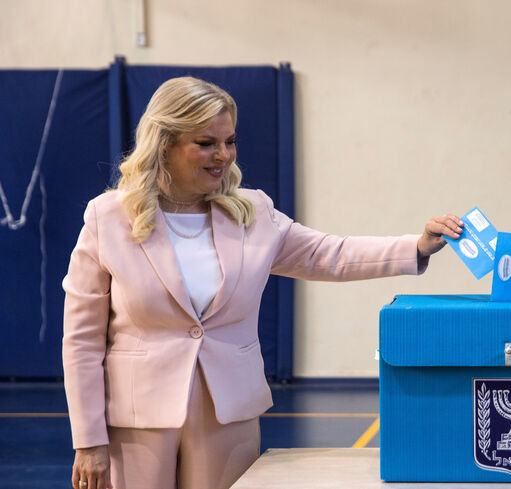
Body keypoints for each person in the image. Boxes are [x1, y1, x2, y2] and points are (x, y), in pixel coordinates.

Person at [62, 76, 463, 489]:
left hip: (229, 412)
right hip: (135, 419)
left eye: (230, 141)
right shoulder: (106, 217)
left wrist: (417, 245)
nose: (224, 155)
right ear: (164, 143)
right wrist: (88, 441)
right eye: (206, 143)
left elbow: (332, 254)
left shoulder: (252, 212)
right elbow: (82, 340)